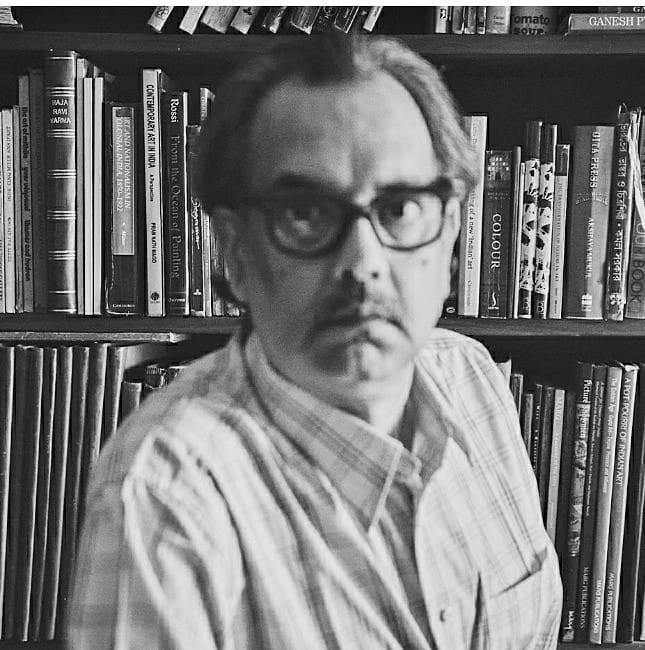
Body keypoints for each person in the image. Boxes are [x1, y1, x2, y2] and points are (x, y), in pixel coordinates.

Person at [68, 35, 562, 649]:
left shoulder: (475, 380)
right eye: (305, 213)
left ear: (450, 236)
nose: (363, 262)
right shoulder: (165, 502)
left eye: (400, 208)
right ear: (236, 253)